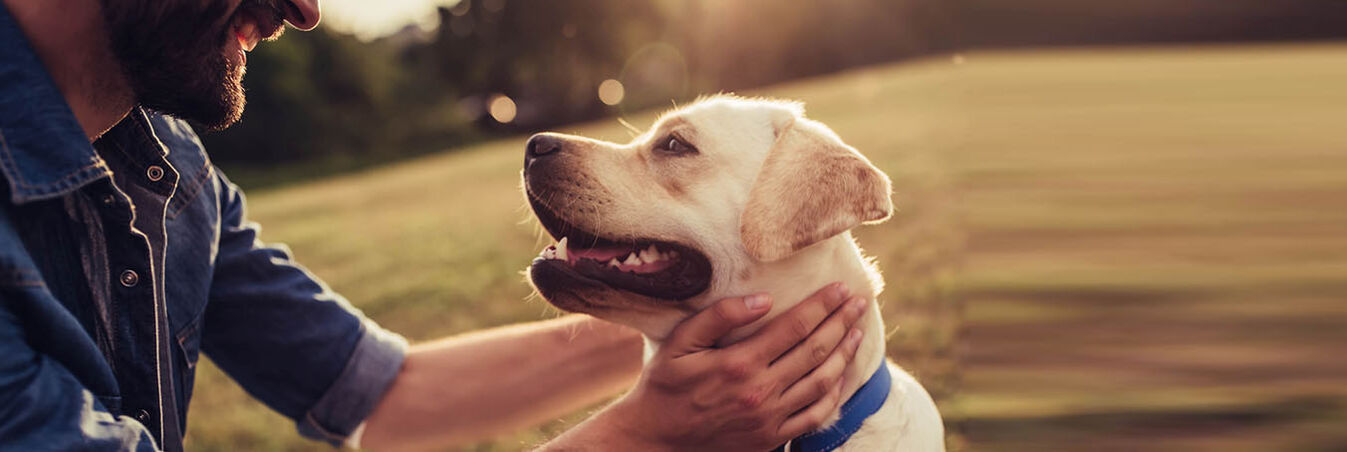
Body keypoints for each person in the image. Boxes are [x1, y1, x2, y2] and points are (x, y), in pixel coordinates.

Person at [0, 0, 868, 450]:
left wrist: (736, 318)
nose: (304, 10)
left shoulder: (170, 172)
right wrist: (643, 437)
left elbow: (386, 394)